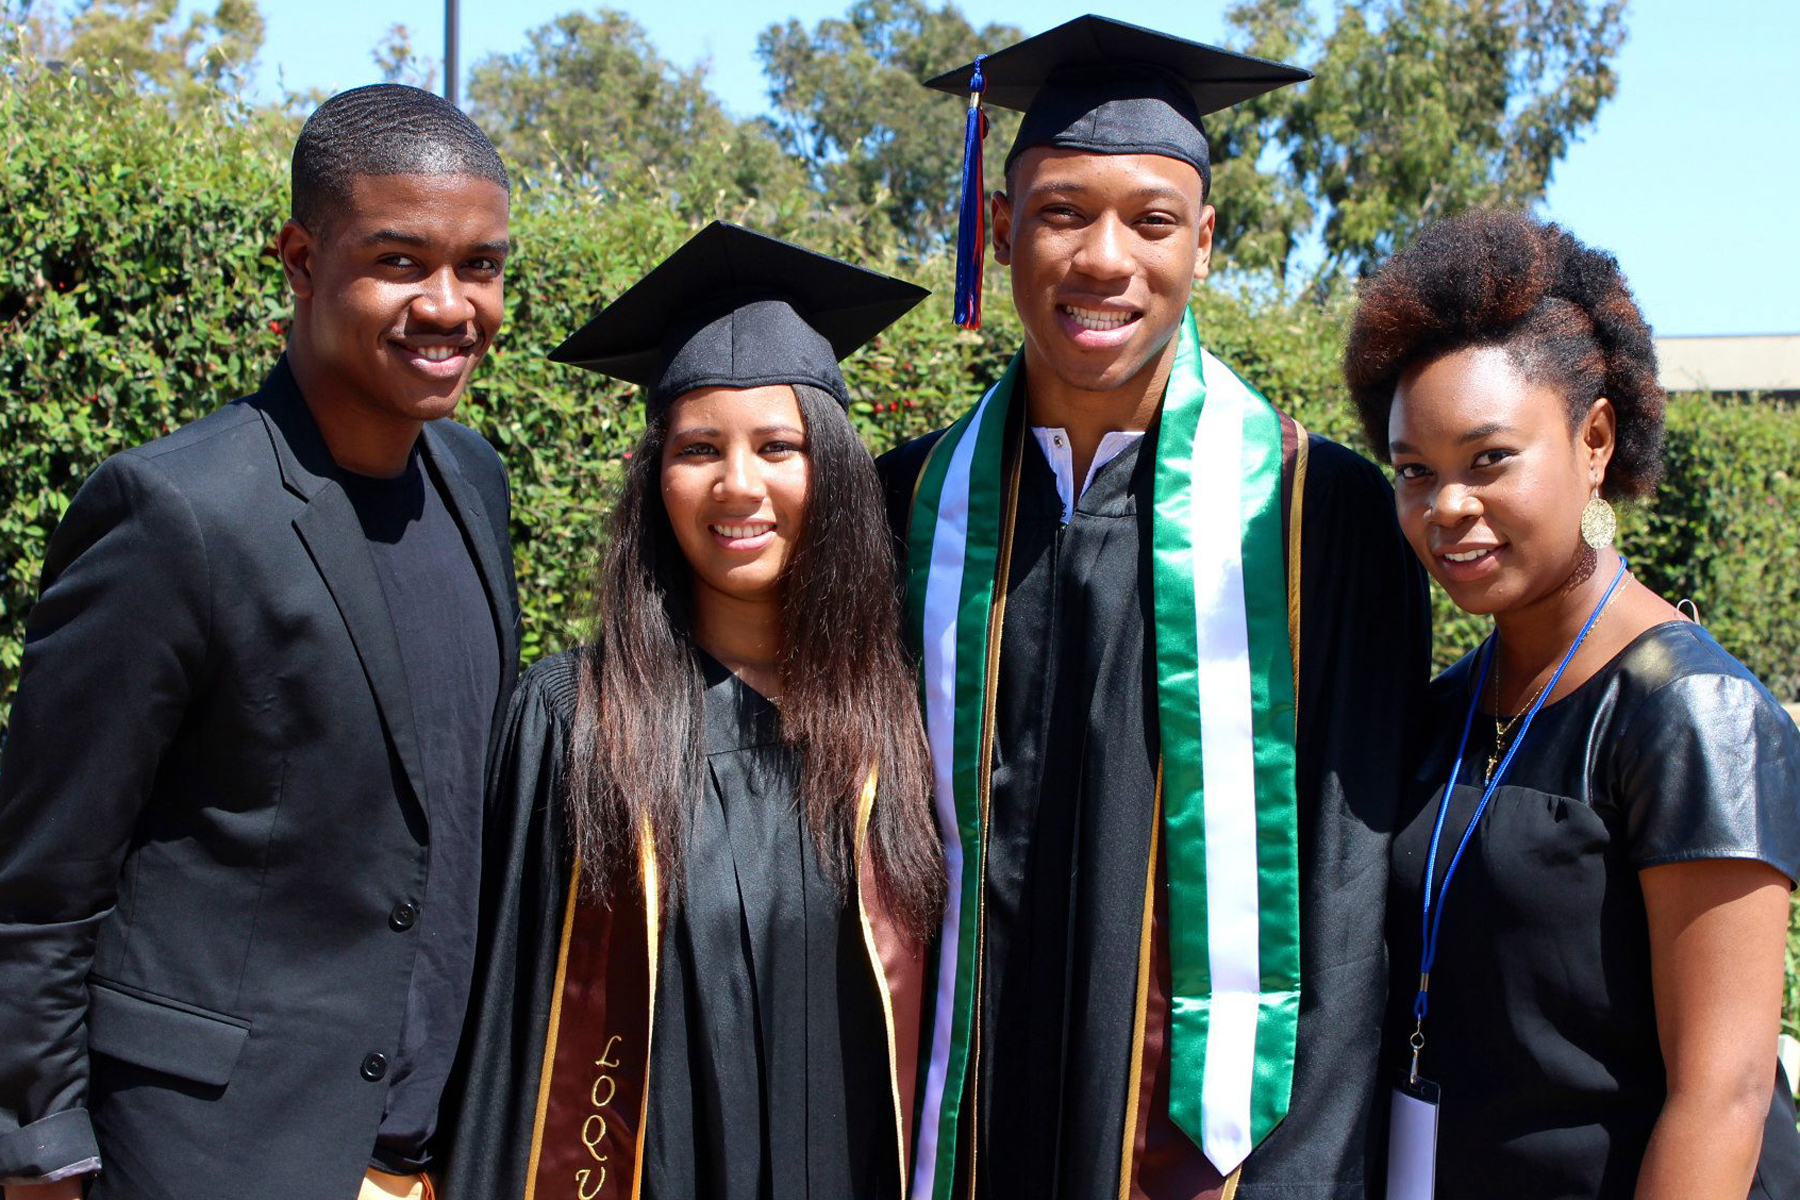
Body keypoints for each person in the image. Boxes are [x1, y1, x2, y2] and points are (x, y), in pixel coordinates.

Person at [878, 16, 1431, 1200]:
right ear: (998, 231)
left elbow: (1344, 897)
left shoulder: (1316, 519)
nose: (1103, 259)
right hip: (950, 1134)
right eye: (1064, 211)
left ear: (1207, 242)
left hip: (1206, 1160)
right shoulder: (905, 509)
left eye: (1154, 219)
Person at [0, 84, 518, 1200]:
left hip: (427, 1157)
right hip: (213, 1153)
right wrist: (37, 1154)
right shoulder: (175, 512)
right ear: (299, 257)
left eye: (481, 266)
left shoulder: (475, 484)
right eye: (399, 261)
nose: (449, 304)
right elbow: (43, 879)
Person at [436, 221, 943, 1200]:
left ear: (830, 472)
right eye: (700, 448)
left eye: (778, 447)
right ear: (655, 478)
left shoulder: (906, 723)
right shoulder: (572, 719)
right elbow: (510, 1033)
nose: (738, 484)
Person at [1344, 209, 1800, 1198]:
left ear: (1593, 442)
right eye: (1413, 472)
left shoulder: (1691, 715)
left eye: (1488, 459)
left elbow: (1723, 1097)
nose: (1444, 507)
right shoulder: (1448, 709)